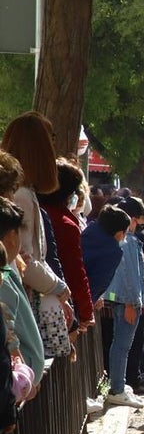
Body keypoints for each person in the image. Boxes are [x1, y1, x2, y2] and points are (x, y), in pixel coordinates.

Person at [0, 112, 72, 335]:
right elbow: (24, 257)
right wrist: (58, 287)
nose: (54, 145)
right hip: (19, 300)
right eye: (50, 137)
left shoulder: (25, 192)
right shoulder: (21, 195)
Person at [103, 197, 144, 408]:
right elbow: (129, 275)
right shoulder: (128, 241)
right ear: (133, 219)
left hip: (125, 299)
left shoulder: (127, 240)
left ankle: (119, 385)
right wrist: (129, 303)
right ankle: (117, 388)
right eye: (142, 216)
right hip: (128, 301)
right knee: (122, 345)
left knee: (120, 345)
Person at [38, 159, 96, 336]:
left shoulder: (37, 209)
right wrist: (86, 312)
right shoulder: (65, 224)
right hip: (57, 305)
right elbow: (75, 271)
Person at [0, 199, 45, 397]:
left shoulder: (9, 271)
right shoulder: (3, 280)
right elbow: (10, 337)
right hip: (17, 384)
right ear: (11, 236)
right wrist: (24, 380)